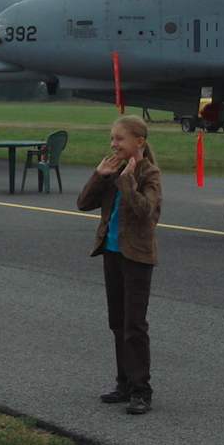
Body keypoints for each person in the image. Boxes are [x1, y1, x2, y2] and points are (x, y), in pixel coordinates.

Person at [76, 115, 162, 415]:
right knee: (117, 321)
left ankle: (141, 391)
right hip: (111, 252)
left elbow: (145, 211)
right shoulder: (112, 171)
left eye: (120, 139)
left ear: (139, 142)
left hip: (137, 257)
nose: (114, 144)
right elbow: (84, 203)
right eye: (112, 139)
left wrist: (126, 181)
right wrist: (100, 175)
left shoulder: (149, 174)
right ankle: (124, 384)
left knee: (134, 325)